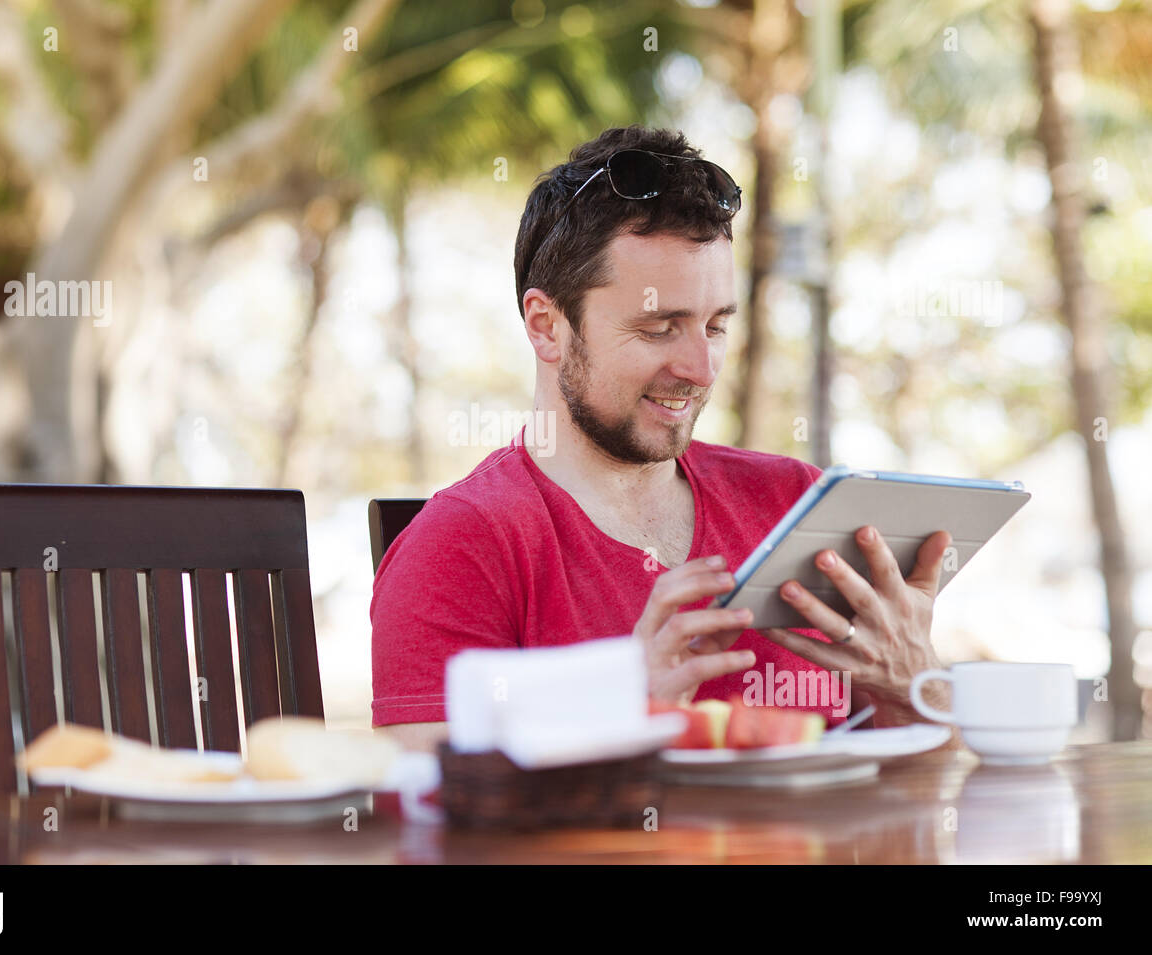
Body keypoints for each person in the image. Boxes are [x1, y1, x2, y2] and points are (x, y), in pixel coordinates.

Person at [371, 125, 951, 752]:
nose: (700, 369)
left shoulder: (796, 504)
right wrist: (621, 703)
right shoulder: (460, 546)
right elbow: (432, 820)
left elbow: (933, 794)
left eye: (716, 326)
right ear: (546, 326)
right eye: (658, 328)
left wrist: (917, 686)